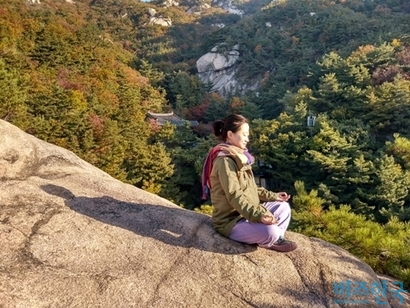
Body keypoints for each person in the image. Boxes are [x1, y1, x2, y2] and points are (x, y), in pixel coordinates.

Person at [201, 114, 297, 252]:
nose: (247, 139)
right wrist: (258, 215)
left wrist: (273, 196)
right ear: (230, 134)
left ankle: (274, 239)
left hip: (246, 213)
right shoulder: (225, 161)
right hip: (231, 221)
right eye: (244, 135)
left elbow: (251, 188)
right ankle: (272, 238)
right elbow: (234, 195)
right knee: (272, 232)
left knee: (283, 207)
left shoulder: (239, 156)